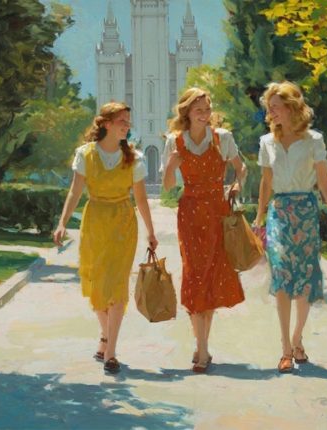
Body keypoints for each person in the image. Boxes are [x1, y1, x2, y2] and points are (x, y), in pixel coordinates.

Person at [252, 81, 327, 374]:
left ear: (292, 108)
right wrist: (259, 218)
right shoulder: (266, 142)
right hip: (279, 213)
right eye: (269, 109)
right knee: (282, 278)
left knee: (305, 280)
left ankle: (297, 340)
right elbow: (265, 183)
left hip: (306, 212)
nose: (272, 113)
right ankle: (285, 349)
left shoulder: (314, 140)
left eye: (276, 107)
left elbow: (325, 183)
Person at [53, 102, 157, 374]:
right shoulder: (85, 155)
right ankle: (105, 335)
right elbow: (74, 192)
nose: (127, 125)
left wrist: (151, 231)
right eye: (122, 120)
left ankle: (110, 352)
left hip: (123, 222)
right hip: (95, 220)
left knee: (117, 284)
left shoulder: (133, 157)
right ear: (107, 123)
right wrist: (62, 223)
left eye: (128, 121)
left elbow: (142, 198)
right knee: (96, 283)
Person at [161, 87, 247, 373]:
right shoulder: (175, 142)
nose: (205, 114)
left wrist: (236, 185)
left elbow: (241, 168)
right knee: (194, 274)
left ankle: (202, 347)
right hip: (190, 214)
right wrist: (171, 167)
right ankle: (201, 347)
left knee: (210, 276)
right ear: (186, 112)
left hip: (217, 212)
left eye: (207, 109)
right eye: (199, 110)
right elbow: (168, 187)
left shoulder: (222, 138)